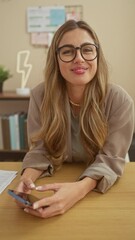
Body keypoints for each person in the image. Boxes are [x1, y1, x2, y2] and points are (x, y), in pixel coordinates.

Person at [15, 20, 134, 218]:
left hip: (103, 186)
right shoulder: (40, 95)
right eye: (68, 51)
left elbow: (110, 160)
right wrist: (27, 180)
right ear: (56, 58)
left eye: (87, 49)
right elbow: (40, 149)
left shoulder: (120, 100)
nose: (79, 58)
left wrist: (77, 190)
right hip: (60, 174)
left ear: (97, 55)